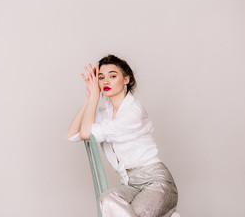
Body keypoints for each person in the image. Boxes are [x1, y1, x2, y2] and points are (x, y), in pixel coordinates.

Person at [66, 54, 178, 217]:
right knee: (107, 200)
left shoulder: (133, 112)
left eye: (112, 76)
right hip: (130, 185)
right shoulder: (105, 114)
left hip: (156, 182)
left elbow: (86, 133)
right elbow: (72, 135)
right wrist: (90, 97)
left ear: (126, 79)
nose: (106, 81)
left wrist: (95, 98)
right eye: (101, 77)